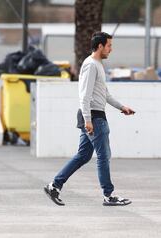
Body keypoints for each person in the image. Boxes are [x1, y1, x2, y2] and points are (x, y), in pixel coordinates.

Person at [44, 32, 135, 206]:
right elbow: (84, 96)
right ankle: (109, 195)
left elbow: (104, 94)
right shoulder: (91, 65)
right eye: (109, 45)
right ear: (100, 46)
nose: (111, 49)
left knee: (83, 156)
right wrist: (88, 120)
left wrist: (122, 107)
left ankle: (54, 186)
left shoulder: (98, 65)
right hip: (93, 116)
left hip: (95, 115)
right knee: (104, 155)